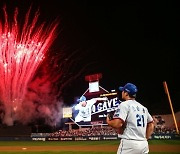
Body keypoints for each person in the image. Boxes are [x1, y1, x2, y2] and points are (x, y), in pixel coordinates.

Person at [106, 83, 154, 154]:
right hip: (143, 144)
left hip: (129, 144)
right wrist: (145, 138)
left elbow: (117, 124)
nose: (121, 92)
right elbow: (151, 124)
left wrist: (108, 121)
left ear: (126, 93)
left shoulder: (124, 105)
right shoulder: (143, 108)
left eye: (123, 91)